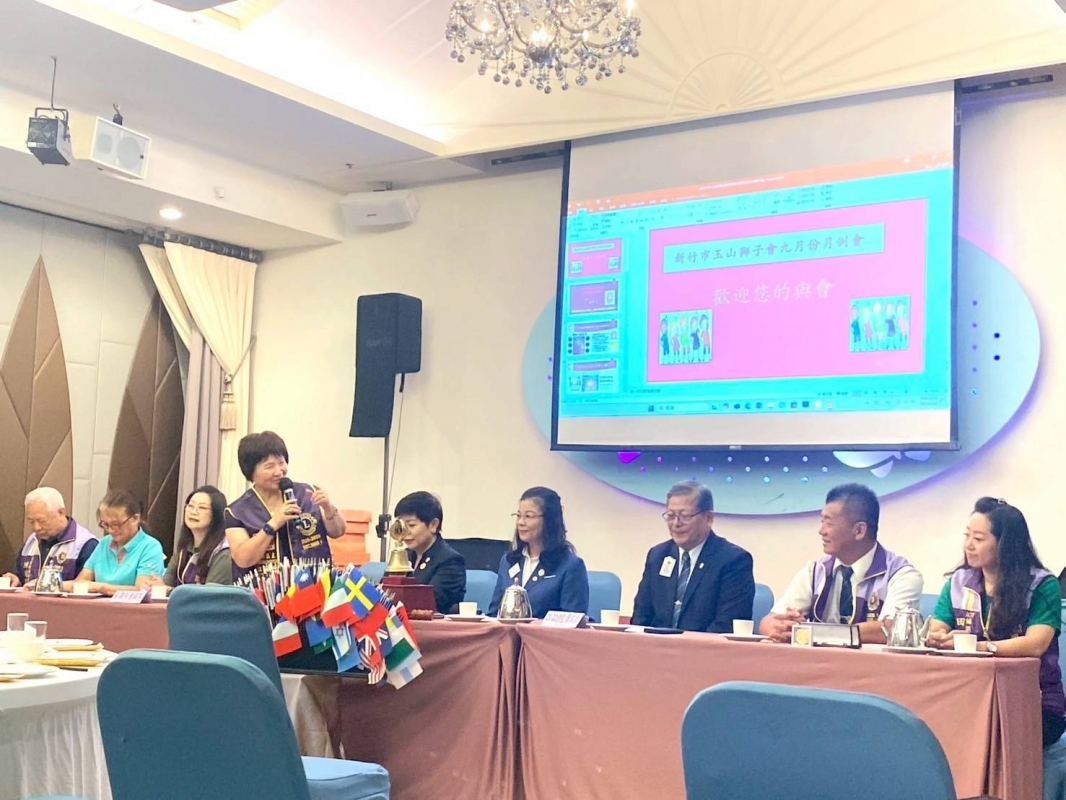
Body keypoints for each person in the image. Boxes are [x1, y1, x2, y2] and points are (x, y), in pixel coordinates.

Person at [926, 498, 1065, 746]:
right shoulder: (958, 582)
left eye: (978, 539)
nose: (968, 545)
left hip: (1033, 702)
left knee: (980, 734)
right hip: (969, 695)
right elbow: (938, 628)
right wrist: (939, 638)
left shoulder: (1042, 585)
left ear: (1005, 544)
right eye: (967, 536)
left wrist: (979, 647)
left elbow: (1036, 645)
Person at [759, 483, 922, 644]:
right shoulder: (815, 571)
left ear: (859, 530)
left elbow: (891, 629)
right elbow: (768, 622)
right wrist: (781, 628)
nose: (821, 531)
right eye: (822, 521)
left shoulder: (901, 575)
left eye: (829, 523)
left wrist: (810, 632)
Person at [632, 481, 754, 632]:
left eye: (684, 516)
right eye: (670, 516)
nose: (676, 524)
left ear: (708, 518)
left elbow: (726, 626)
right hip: (655, 645)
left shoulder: (733, 561)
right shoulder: (658, 556)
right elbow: (640, 618)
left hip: (704, 646)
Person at [224, 431, 345, 579]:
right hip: (264, 590)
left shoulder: (306, 492)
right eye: (269, 466)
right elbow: (243, 559)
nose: (278, 472)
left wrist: (328, 508)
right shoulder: (237, 511)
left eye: (281, 463)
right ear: (250, 472)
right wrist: (274, 523)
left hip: (315, 583)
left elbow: (338, 532)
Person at [488, 487, 588, 618]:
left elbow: (572, 621)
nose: (521, 522)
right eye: (518, 516)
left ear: (549, 521)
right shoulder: (508, 561)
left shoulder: (570, 566)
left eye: (528, 516)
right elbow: (493, 614)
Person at [61, 489, 165, 595]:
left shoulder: (150, 547)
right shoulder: (104, 543)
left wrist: (103, 588)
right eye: (105, 524)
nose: (110, 530)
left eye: (116, 524)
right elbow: (80, 582)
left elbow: (142, 590)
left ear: (135, 518)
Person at [3, 487, 98, 588]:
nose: (36, 527)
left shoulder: (85, 544)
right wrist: (15, 579)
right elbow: (20, 576)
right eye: (31, 521)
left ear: (61, 513)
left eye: (42, 521)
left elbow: (86, 586)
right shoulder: (32, 540)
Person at [144, 486, 233, 591]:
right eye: (190, 506)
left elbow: (208, 596)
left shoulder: (223, 553)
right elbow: (166, 583)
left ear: (216, 514)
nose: (193, 512)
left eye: (202, 508)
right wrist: (155, 586)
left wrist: (167, 590)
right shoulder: (185, 549)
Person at [395, 491, 465, 614]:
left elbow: (431, 601)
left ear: (433, 525)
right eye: (401, 525)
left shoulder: (451, 561)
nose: (405, 532)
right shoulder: (404, 556)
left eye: (411, 525)